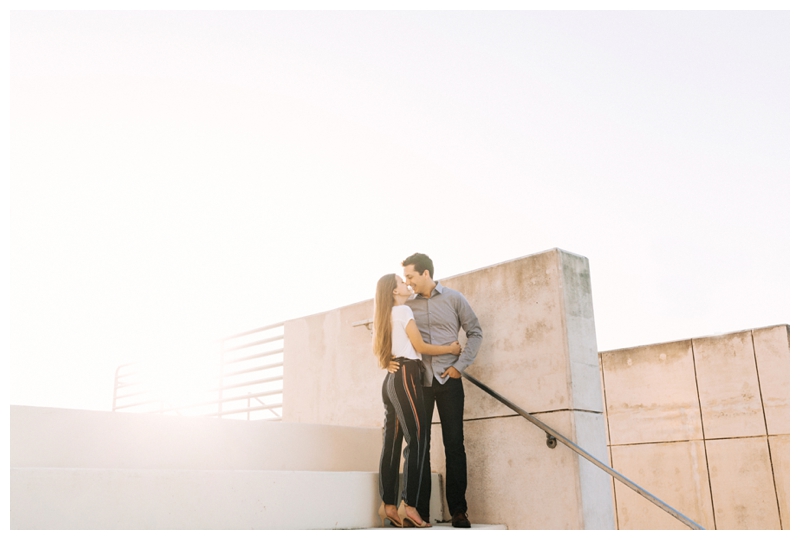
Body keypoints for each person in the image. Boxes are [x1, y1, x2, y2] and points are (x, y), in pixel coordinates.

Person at [373, 273, 462, 528]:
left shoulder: (384, 315)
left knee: (391, 443)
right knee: (418, 438)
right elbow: (420, 347)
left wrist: (385, 362)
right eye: (402, 282)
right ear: (394, 291)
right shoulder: (402, 311)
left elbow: (380, 349)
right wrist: (451, 349)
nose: (406, 285)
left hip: (390, 380)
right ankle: (409, 505)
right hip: (406, 377)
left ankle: (388, 504)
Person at [403, 253, 482, 529]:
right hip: (419, 382)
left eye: (410, 276)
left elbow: (475, 332)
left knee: (454, 445)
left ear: (425, 273)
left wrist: (460, 366)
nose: (407, 282)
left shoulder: (454, 298)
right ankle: (420, 511)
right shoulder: (406, 305)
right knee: (420, 445)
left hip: (449, 380)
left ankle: (459, 511)